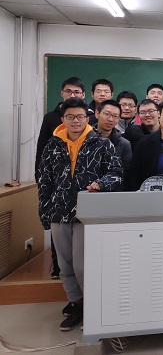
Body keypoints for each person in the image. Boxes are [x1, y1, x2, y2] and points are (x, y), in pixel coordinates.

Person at [37, 98, 123, 331]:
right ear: (63, 119)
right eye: (70, 117)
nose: (75, 121)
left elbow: (116, 173)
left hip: (89, 213)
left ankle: (94, 307)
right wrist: (45, 212)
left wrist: (101, 183)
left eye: (80, 117)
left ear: (88, 118)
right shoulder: (52, 145)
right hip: (59, 211)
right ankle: (77, 304)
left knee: (84, 265)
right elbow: (45, 181)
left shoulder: (101, 143)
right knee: (65, 265)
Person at [35, 76, 89, 280]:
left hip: (85, 193)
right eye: (68, 91)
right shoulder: (51, 118)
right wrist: (41, 182)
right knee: (59, 236)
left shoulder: (91, 125)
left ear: (83, 95)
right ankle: (58, 270)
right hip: (58, 191)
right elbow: (41, 152)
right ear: (62, 93)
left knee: (82, 249)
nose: (72, 94)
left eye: (76, 92)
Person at [93, 100, 132, 175]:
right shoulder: (85, 138)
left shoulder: (124, 144)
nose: (110, 119)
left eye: (115, 116)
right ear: (97, 114)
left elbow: (125, 172)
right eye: (107, 114)